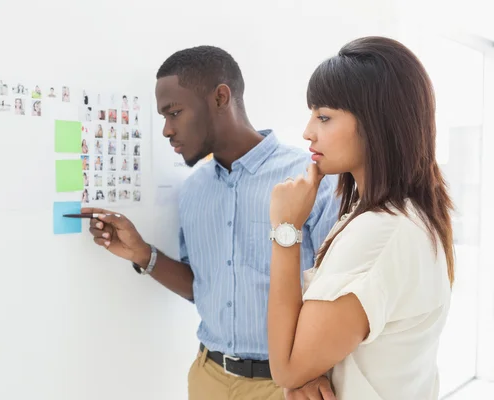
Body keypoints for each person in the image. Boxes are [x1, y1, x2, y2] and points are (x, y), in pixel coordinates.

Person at [82, 45, 340, 400]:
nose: (166, 130)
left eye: (175, 113)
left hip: (288, 386)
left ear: (221, 97)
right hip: (208, 378)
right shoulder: (193, 191)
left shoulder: (312, 178)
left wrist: (314, 368)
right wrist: (142, 254)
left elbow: (337, 292)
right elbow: (202, 288)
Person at [267, 36, 454, 400]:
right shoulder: (392, 215)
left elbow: (286, 367)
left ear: (376, 124)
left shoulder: (382, 231)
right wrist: (309, 374)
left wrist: (286, 229)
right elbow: (305, 363)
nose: (308, 132)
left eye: (324, 117)